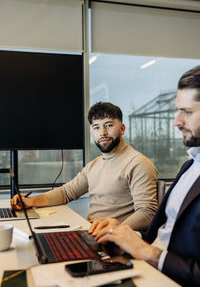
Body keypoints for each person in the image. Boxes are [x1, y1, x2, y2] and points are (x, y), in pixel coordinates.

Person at [92, 66, 200, 287]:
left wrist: (146, 252)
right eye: (177, 111)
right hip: (146, 267)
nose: (176, 121)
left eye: (187, 112)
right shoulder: (190, 166)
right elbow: (165, 235)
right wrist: (127, 240)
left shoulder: (138, 162)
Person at [11, 102, 158, 231]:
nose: (103, 133)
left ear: (122, 128)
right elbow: (66, 192)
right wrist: (31, 201)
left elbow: (147, 213)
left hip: (115, 240)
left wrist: (114, 232)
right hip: (91, 231)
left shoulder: (138, 163)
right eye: (96, 127)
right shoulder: (94, 165)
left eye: (109, 125)